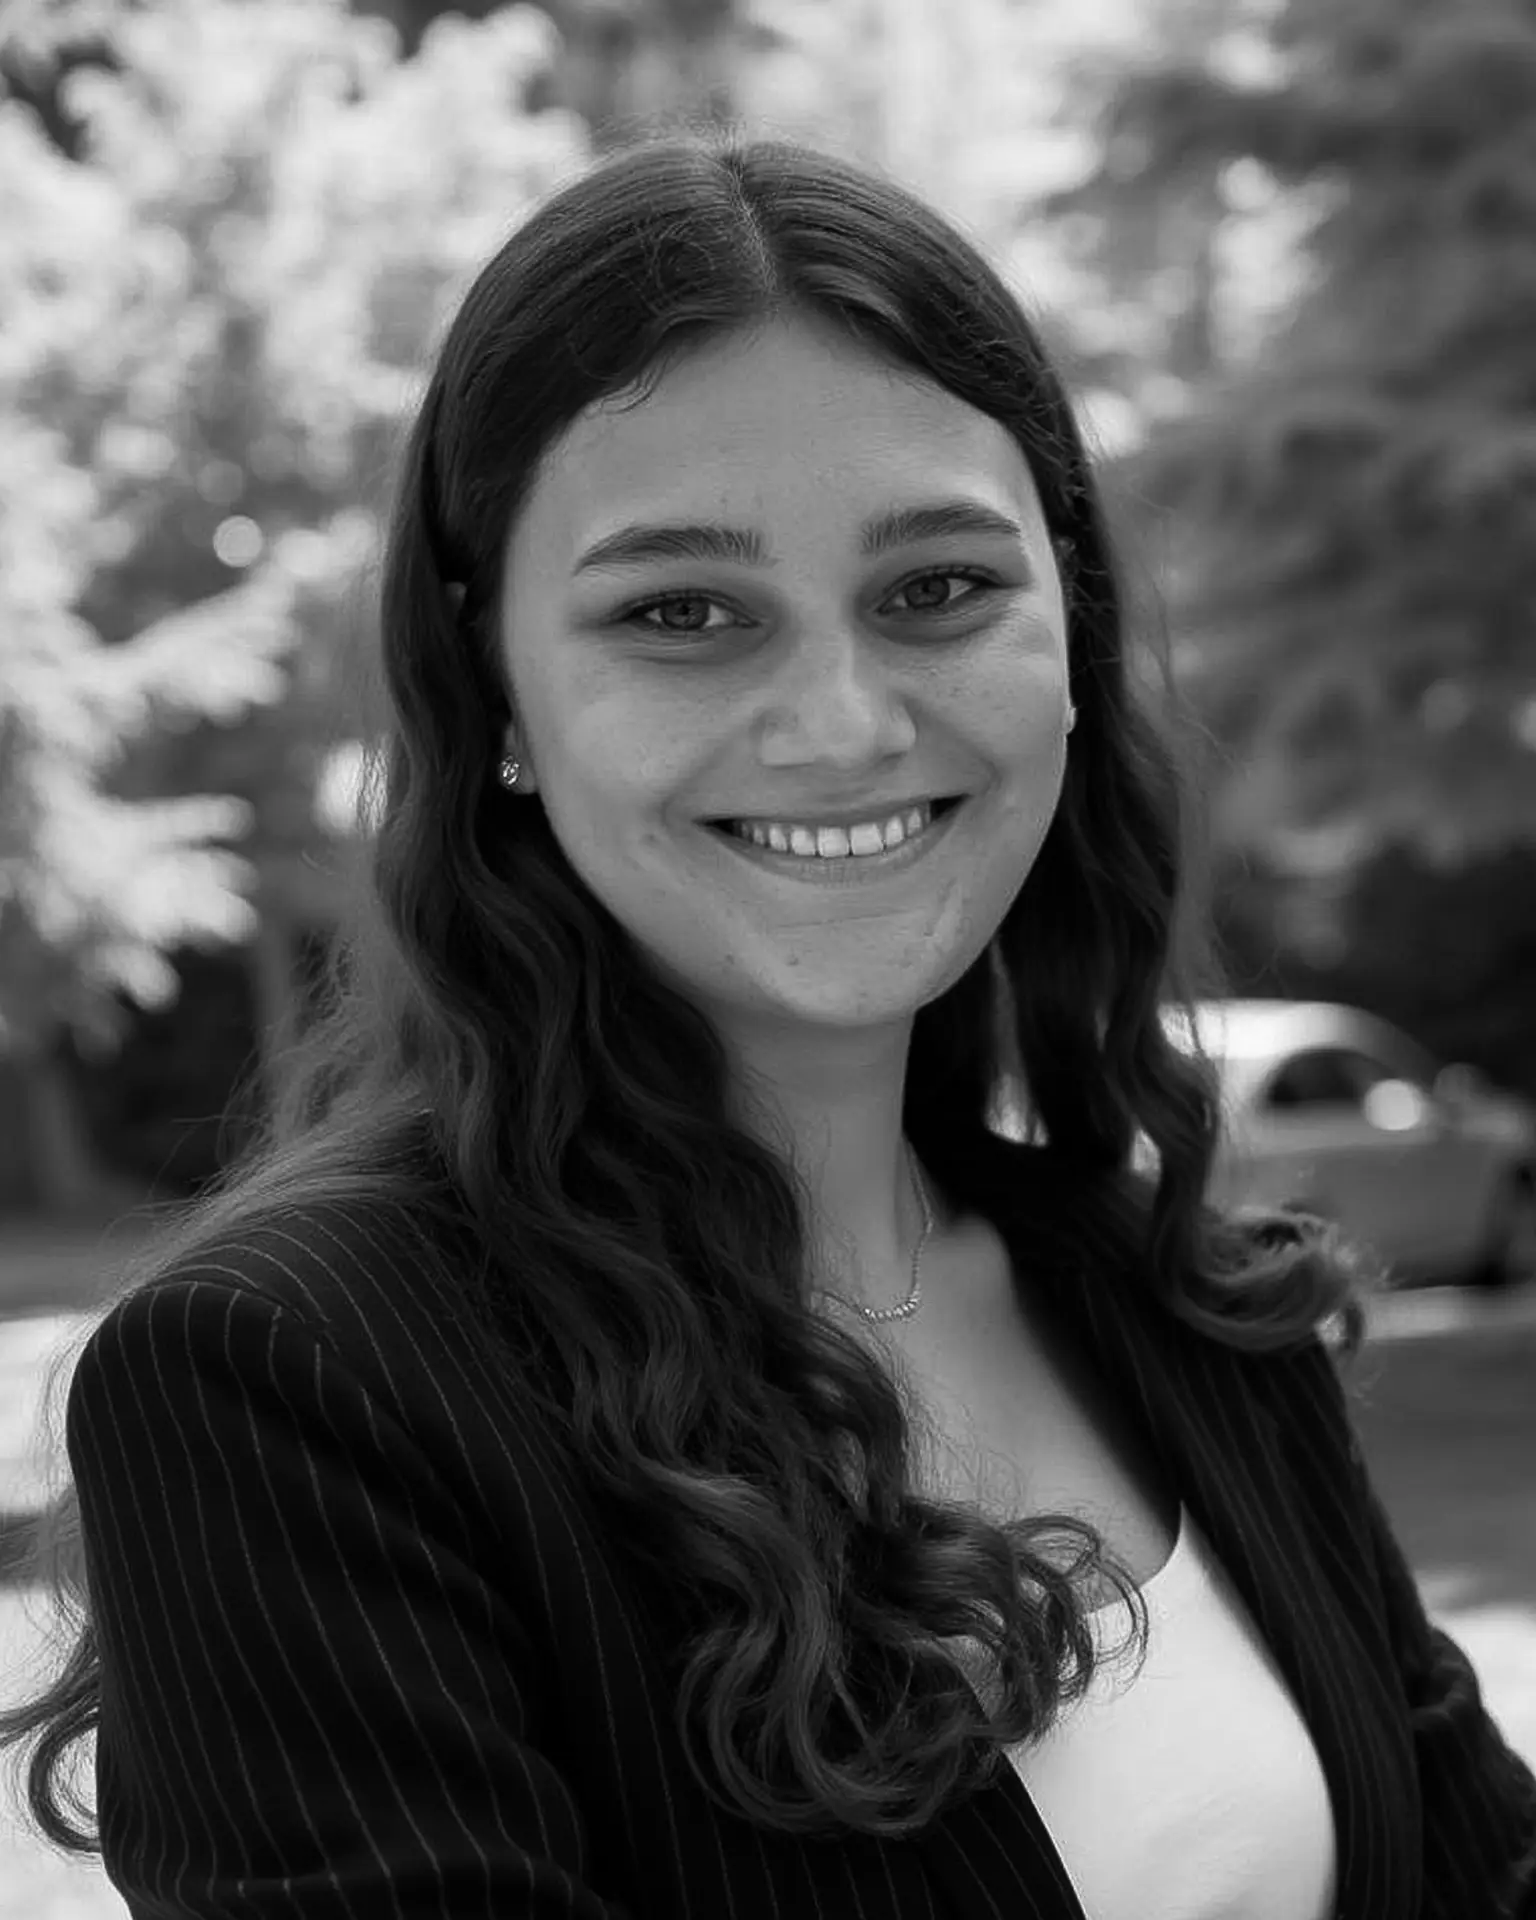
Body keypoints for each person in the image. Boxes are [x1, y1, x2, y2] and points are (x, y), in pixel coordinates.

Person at [3, 126, 1534, 1920]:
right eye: (682, 612)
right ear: (495, 690)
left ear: (1067, 628)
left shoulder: (1176, 1299)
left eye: (937, 588)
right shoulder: (291, 1383)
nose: (842, 724)